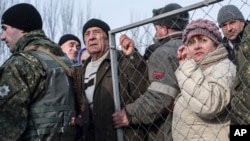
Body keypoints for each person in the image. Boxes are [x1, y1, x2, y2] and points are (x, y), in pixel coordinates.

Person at [0, 3, 79, 141]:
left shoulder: (21, 63)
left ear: (21, 27)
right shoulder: (65, 61)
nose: (2, 36)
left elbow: (7, 127)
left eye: (4, 29)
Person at [112, 3, 189, 141]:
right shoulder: (194, 47)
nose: (154, 33)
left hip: (170, 131)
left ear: (164, 30)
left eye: (156, 28)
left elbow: (160, 97)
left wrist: (129, 114)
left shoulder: (162, 53)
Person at [79, 18, 149, 141]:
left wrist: (133, 56)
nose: (91, 37)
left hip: (124, 136)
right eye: (87, 34)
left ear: (108, 38)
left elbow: (142, 90)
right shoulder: (81, 71)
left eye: (96, 32)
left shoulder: (121, 59)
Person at [172, 19, 236, 141]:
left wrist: (186, 66)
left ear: (216, 44)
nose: (196, 46)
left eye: (203, 40)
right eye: (191, 42)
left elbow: (209, 105)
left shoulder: (223, 67)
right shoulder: (199, 69)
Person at [217, 5, 250, 124]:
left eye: (232, 22)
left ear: (242, 22)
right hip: (236, 111)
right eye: (224, 25)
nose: (229, 28)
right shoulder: (221, 50)